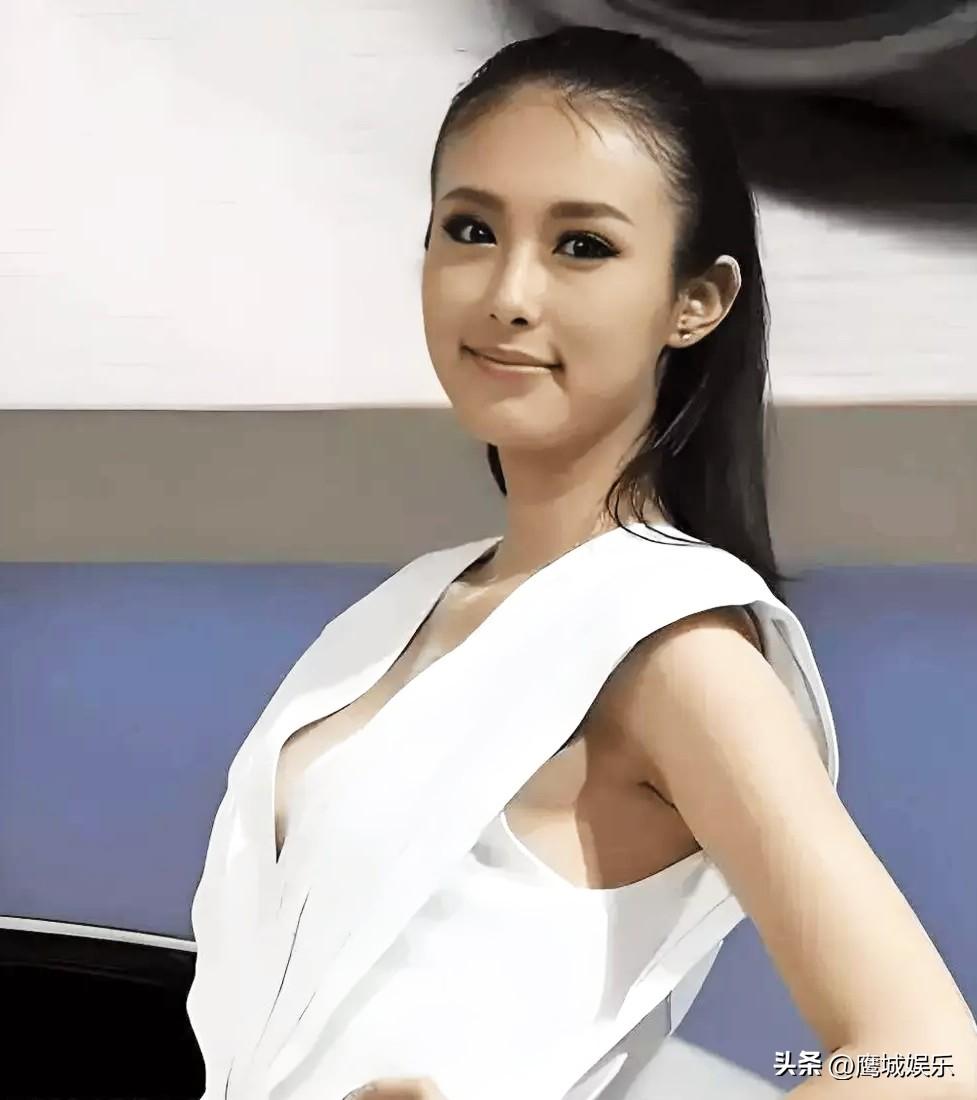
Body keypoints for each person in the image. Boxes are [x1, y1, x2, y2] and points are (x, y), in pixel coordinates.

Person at [185, 25, 977, 1100]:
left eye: (582, 246)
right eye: (470, 229)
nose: (508, 292)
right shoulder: (400, 611)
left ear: (695, 301)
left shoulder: (669, 642)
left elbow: (924, 1055)